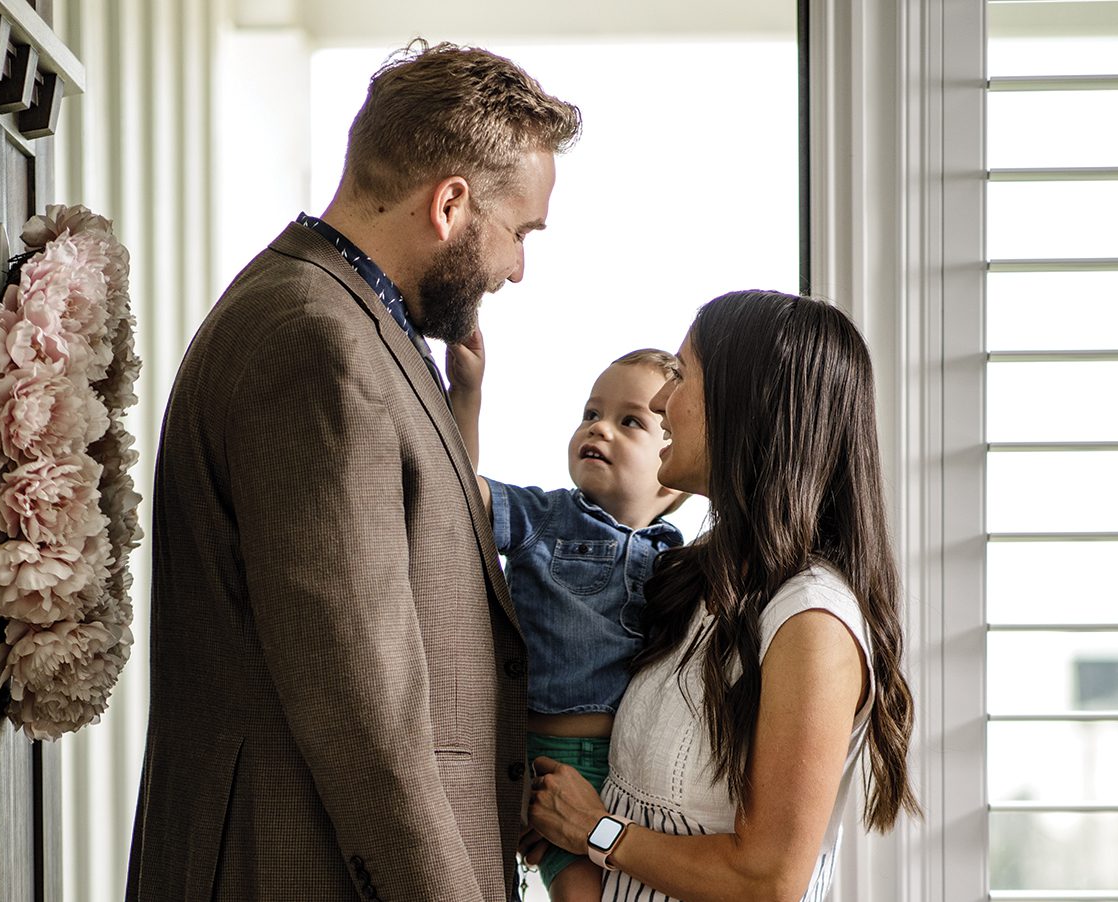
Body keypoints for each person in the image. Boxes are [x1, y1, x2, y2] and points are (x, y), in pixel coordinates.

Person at [126, 41, 581, 902]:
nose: (517, 268)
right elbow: (361, 701)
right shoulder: (316, 341)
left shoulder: (343, 317)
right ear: (451, 203)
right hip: (300, 867)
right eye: (519, 232)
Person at [525, 291, 920, 901]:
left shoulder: (813, 622)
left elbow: (766, 880)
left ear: (747, 406)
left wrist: (596, 831)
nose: (661, 401)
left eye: (681, 377)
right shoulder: (694, 582)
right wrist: (555, 815)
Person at [447, 335, 687, 900]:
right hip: (541, 763)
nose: (598, 428)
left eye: (631, 422)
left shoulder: (679, 560)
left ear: (670, 472)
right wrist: (468, 395)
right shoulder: (546, 517)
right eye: (591, 413)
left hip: (632, 776)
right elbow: (453, 489)